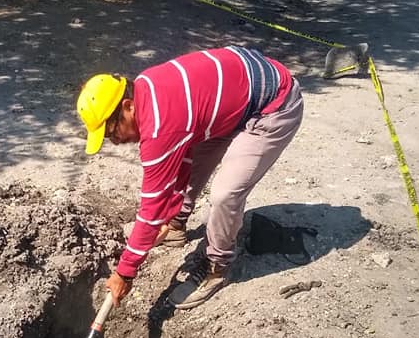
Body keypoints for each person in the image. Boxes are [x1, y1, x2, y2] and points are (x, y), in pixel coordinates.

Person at [76, 46, 303, 311]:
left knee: (224, 194)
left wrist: (125, 271)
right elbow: (179, 155)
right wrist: (170, 211)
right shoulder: (145, 85)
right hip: (241, 94)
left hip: (275, 105)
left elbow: (150, 209)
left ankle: (216, 267)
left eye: (111, 132)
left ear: (128, 106)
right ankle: (177, 223)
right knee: (189, 153)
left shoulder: (160, 126)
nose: (114, 142)